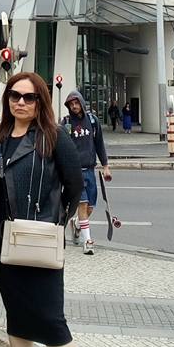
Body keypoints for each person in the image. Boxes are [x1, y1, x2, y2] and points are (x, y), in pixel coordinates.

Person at [0, 72, 84, 347]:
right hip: (2, 242)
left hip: (38, 241)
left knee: (51, 319)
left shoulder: (54, 137)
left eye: (29, 97)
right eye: (15, 96)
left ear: (41, 101)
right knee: (18, 315)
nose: (21, 103)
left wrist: (53, 224)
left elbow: (74, 187)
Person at [62, 91, 112, 255]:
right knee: (82, 204)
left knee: (90, 207)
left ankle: (77, 225)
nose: (74, 106)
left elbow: (99, 144)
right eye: (71, 104)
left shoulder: (92, 121)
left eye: (76, 103)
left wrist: (105, 166)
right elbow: (62, 147)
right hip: (74, 172)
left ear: (82, 103)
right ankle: (87, 241)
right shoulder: (67, 123)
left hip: (90, 170)